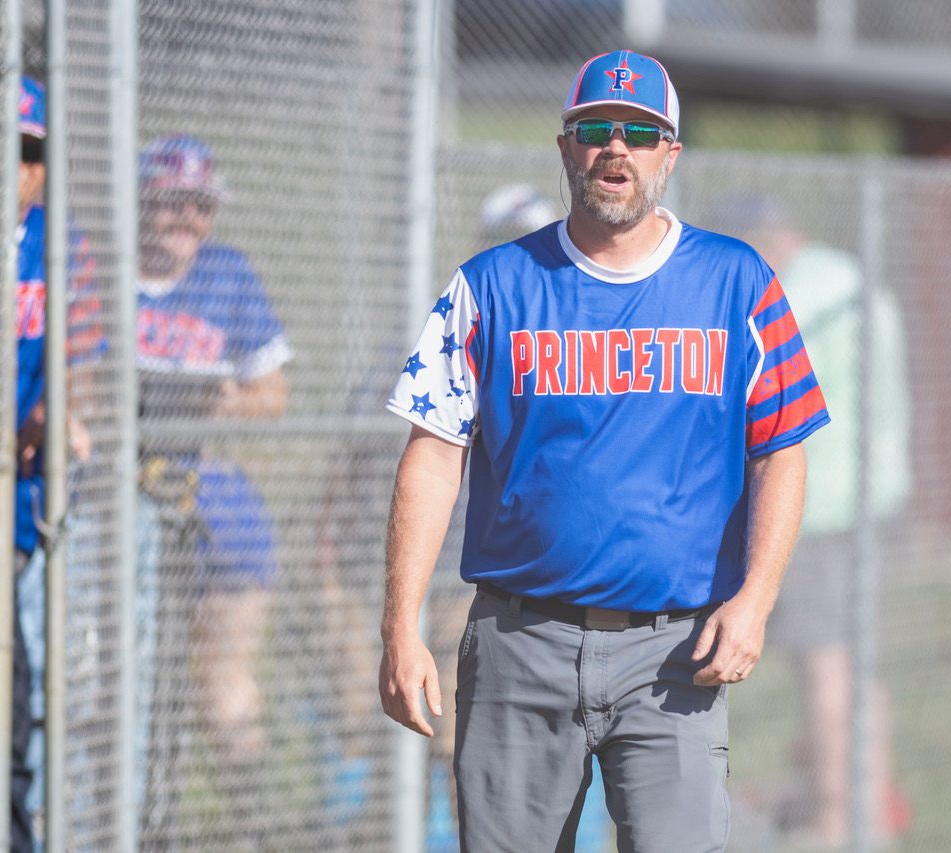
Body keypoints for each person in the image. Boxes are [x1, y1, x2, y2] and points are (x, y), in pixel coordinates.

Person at [379, 50, 830, 851]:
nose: (616, 147)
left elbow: (781, 450)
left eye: (640, 133)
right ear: (566, 147)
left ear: (670, 154)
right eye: (595, 130)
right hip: (520, 642)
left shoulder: (737, 282)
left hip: (674, 651)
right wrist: (399, 625)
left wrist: (755, 600)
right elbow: (434, 453)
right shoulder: (492, 285)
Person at [712, 194, 912, 845]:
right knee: (857, 664)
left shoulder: (797, 299)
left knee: (826, 664)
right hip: (877, 500)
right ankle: (865, 808)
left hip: (822, 508)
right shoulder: (854, 279)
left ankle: (837, 818)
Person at [132, 134, 291, 844]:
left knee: (222, 689)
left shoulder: (227, 273)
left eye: (202, 205)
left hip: (210, 492)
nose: (188, 219)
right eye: (173, 202)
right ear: (143, 200)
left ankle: (251, 826)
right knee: (127, 683)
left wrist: (218, 401)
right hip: (116, 494)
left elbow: (271, 395)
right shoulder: (100, 265)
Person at [11, 75, 98, 852]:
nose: (15, 169)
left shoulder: (59, 245)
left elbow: (85, 362)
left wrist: (55, 407)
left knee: (22, 693)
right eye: (0, 150)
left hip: (19, 503)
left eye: (30, 152)